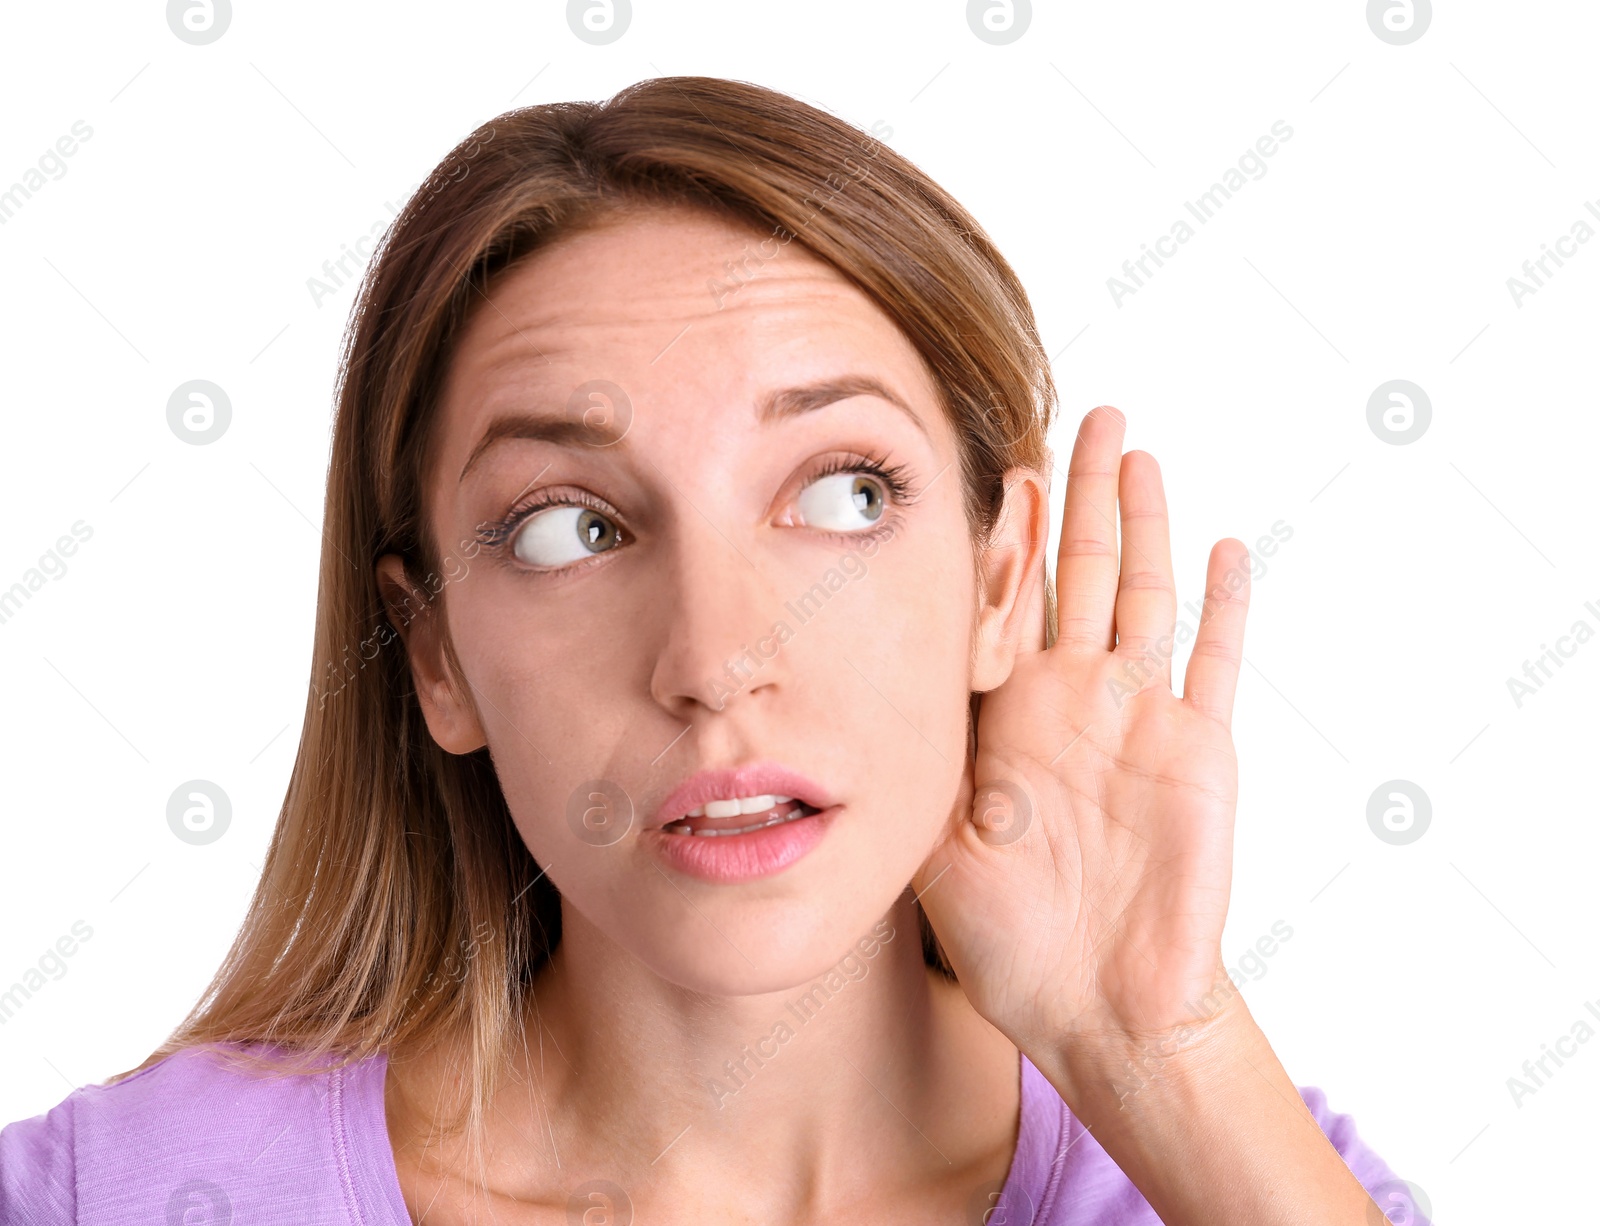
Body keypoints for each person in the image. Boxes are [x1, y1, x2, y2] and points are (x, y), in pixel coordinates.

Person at [0, 76, 1428, 1225]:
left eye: (842, 494)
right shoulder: (110, 1196)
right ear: (432, 650)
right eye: (568, 527)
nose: (717, 657)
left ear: (1000, 582)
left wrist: (1155, 1051)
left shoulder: (1242, 1176)